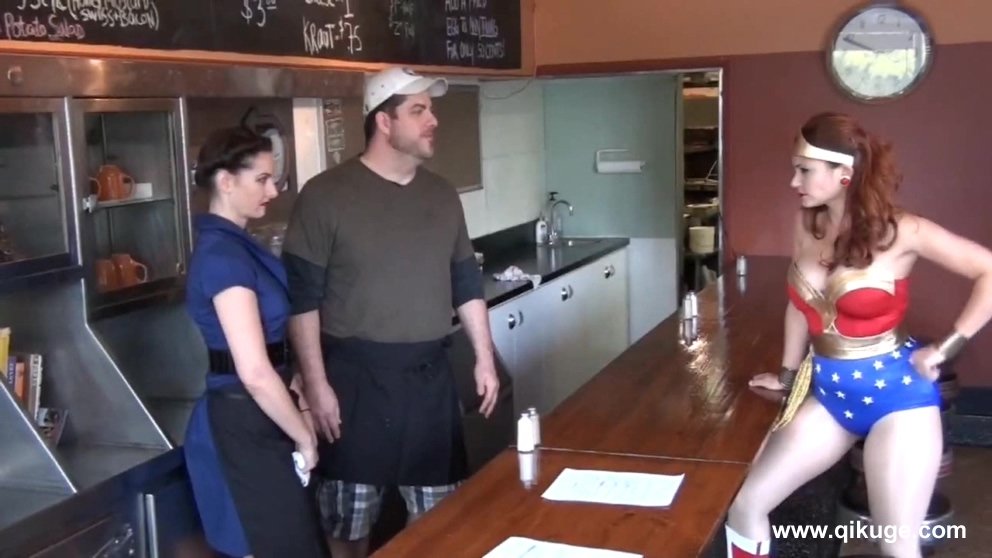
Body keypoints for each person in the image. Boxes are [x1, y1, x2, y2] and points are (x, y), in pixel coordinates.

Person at [730, 112, 992, 558]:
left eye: (804, 170)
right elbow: (799, 306)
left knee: (896, 545)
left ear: (844, 173)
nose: (794, 181)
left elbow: (988, 270)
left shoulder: (903, 230)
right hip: (831, 396)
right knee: (745, 506)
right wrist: (788, 376)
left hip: (899, 401)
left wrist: (945, 348)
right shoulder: (807, 223)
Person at [281, 67, 500, 558]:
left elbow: (466, 283)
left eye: (431, 110)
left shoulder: (442, 195)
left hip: (429, 380)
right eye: (418, 111)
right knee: (348, 528)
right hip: (353, 385)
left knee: (443, 528)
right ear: (384, 121)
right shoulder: (325, 195)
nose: (433, 121)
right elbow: (302, 300)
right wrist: (316, 385)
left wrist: (484, 358)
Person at [183, 126, 329, 558]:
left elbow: (272, 352)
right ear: (226, 181)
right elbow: (254, 371)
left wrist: (300, 401)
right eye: (262, 179)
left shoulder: (239, 246)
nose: (273, 191)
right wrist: (304, 436)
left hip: (264, 413)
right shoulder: (222, 256)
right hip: (243, 424)